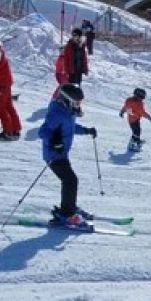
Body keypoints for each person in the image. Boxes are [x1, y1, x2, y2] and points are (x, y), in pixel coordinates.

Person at [39, 83, 97, 227]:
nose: (79, 105)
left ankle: (69, 206)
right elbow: (43, 132)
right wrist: (54, 142)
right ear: (67, 100)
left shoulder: (68, 112)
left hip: (62, 155)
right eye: (77, 102)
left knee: (70, 181)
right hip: (53, 155)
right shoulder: (57, 113)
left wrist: (86, 130)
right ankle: (66, 215)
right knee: (71, 181)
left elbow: (70, 128)